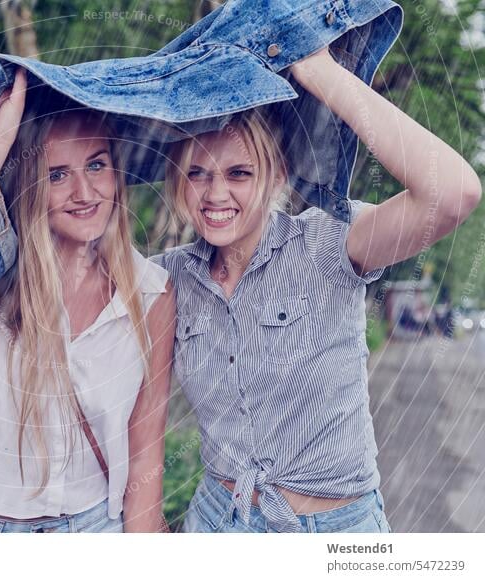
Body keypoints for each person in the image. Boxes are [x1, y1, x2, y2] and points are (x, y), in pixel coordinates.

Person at [153, 47, 481, 533]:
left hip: (336, 531)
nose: (214, 194)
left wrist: (317, 69)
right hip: (216, 522)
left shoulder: (327, 245)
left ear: (277, 175)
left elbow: (453, 193)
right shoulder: (168, 278)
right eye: (196, 173)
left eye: (238, 173)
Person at [0, 68, 175, 533]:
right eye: (57, 174)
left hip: (90, 531)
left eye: (96, 165)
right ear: (31, 183)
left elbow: (145, 453)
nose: (84, 193)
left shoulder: (151, 294)